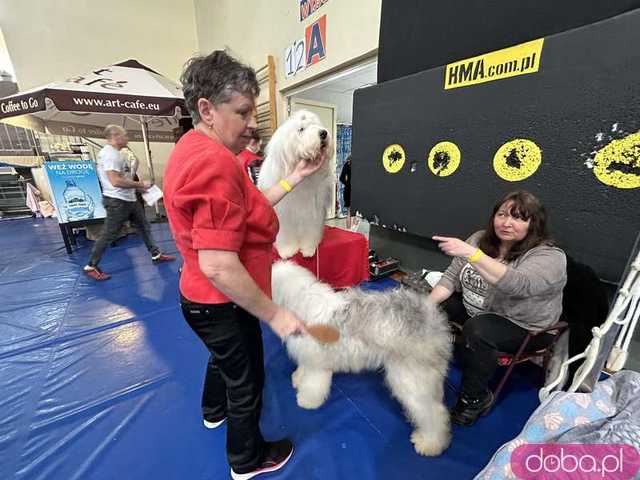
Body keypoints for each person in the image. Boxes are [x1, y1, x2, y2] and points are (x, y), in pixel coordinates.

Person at [163, 50, 327, 480]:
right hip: (220, 300)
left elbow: (251, 208)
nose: (251, 123)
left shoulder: (196, 146)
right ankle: (247, 458)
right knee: (247, 378)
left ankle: (212, 411)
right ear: (206, 110)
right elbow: (219, 264)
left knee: (223, 360)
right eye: (241, 112)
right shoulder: (214, 164)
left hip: (199, 295)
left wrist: (298, 176)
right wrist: (275, 313)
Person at [427, 190, 567, 426]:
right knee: (432, 303)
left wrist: (472, 254)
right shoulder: (479, 239)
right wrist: (423, 307)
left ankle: (474, 399)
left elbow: (518, 285)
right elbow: (450, 278)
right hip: (478, 310)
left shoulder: (550, 257)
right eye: (502, 214)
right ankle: (435, 356)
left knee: (479, 330)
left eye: (518, 217)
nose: (506, 223)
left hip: (524, 327)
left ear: (534, 224)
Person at [83, 125, 175, 281]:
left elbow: (124, 177)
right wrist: (140, 185)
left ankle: (155, 254)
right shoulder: (111, 155)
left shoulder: (118, 154)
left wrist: (139, 190)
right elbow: (115, 181)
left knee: (144, 226)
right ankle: (91, 266)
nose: (127, 138)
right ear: (115, 137)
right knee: (109, 234)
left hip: (128, 199)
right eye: (124, 135)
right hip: (117, 201)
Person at [339, 155, 352, 227]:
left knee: (349, 212)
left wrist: (347, 184)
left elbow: (341, 178)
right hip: (357, 191)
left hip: (348, 190)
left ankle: (349, 231)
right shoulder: (360, 164)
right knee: (356, 214)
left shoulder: (347, 164)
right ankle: (355, 233)